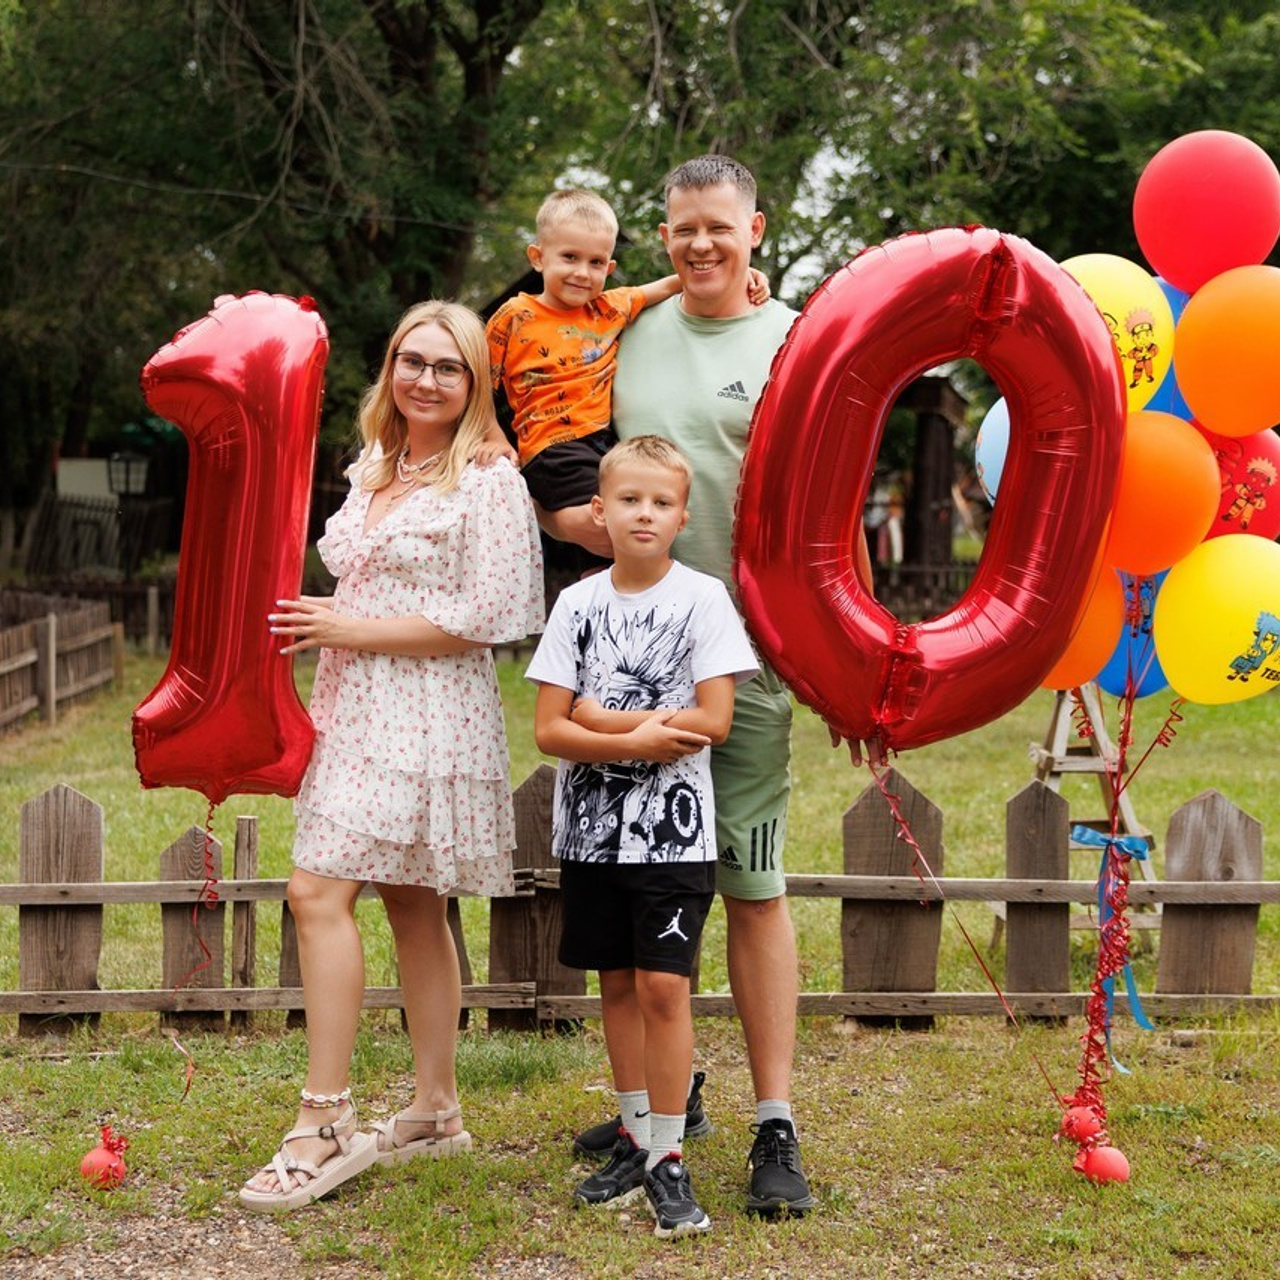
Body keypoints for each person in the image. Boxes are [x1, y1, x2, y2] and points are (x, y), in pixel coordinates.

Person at [543, 154, 874, 1218]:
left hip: (751, 669)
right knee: (637, 901)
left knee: (752, 888)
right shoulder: (626, 333)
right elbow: (556, 436)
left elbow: (835, 512)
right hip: (620, 673)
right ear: (662, 235)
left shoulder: (797, 342)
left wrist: (856, 670)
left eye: (718, 227)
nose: (699, 245)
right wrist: (569, 518)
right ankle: (658, 1109)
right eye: (682, 227)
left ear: (755, 230)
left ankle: (775, 1119)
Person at [239, 300, 544, 1212]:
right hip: (353, 703)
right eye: (414, 360)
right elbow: (362, 583)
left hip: (429, 711)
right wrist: (333, 627)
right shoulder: (375, 462)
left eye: (449, 367)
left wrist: (348, 626)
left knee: (317, 893)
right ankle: (436, 1110)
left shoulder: (488, 481)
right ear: (391, 368)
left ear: (475, 383)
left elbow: (493, 616)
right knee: (412, 902)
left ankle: (323, 1120)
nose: (427, 379)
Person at [525, 436, 759, 1238]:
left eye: (661, 502)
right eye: (629, 500)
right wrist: (635, 738)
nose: (645, 514)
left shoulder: (703, 600)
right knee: (617, 985)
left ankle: (668, 1155)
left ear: (683, 516)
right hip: (592, 837)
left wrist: (605, 719)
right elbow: (549, 729)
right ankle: (633, 1137)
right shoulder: (576, 605)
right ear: (601, 511)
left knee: (664, 987)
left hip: (672, 838)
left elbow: (713, 721)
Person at [486, 188, 768, 555]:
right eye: (570, 257)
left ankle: (604, 574)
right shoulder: (515, 316)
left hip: (603, 442)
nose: (582, 273)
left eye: (596, 263)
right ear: (538, 258)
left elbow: (671, 283)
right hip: (552, 447)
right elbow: (477, 383)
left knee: (638, 512)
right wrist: (494, 436)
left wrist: (743, 273)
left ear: (609, 268)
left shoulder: (608, 309)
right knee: (616, 524)